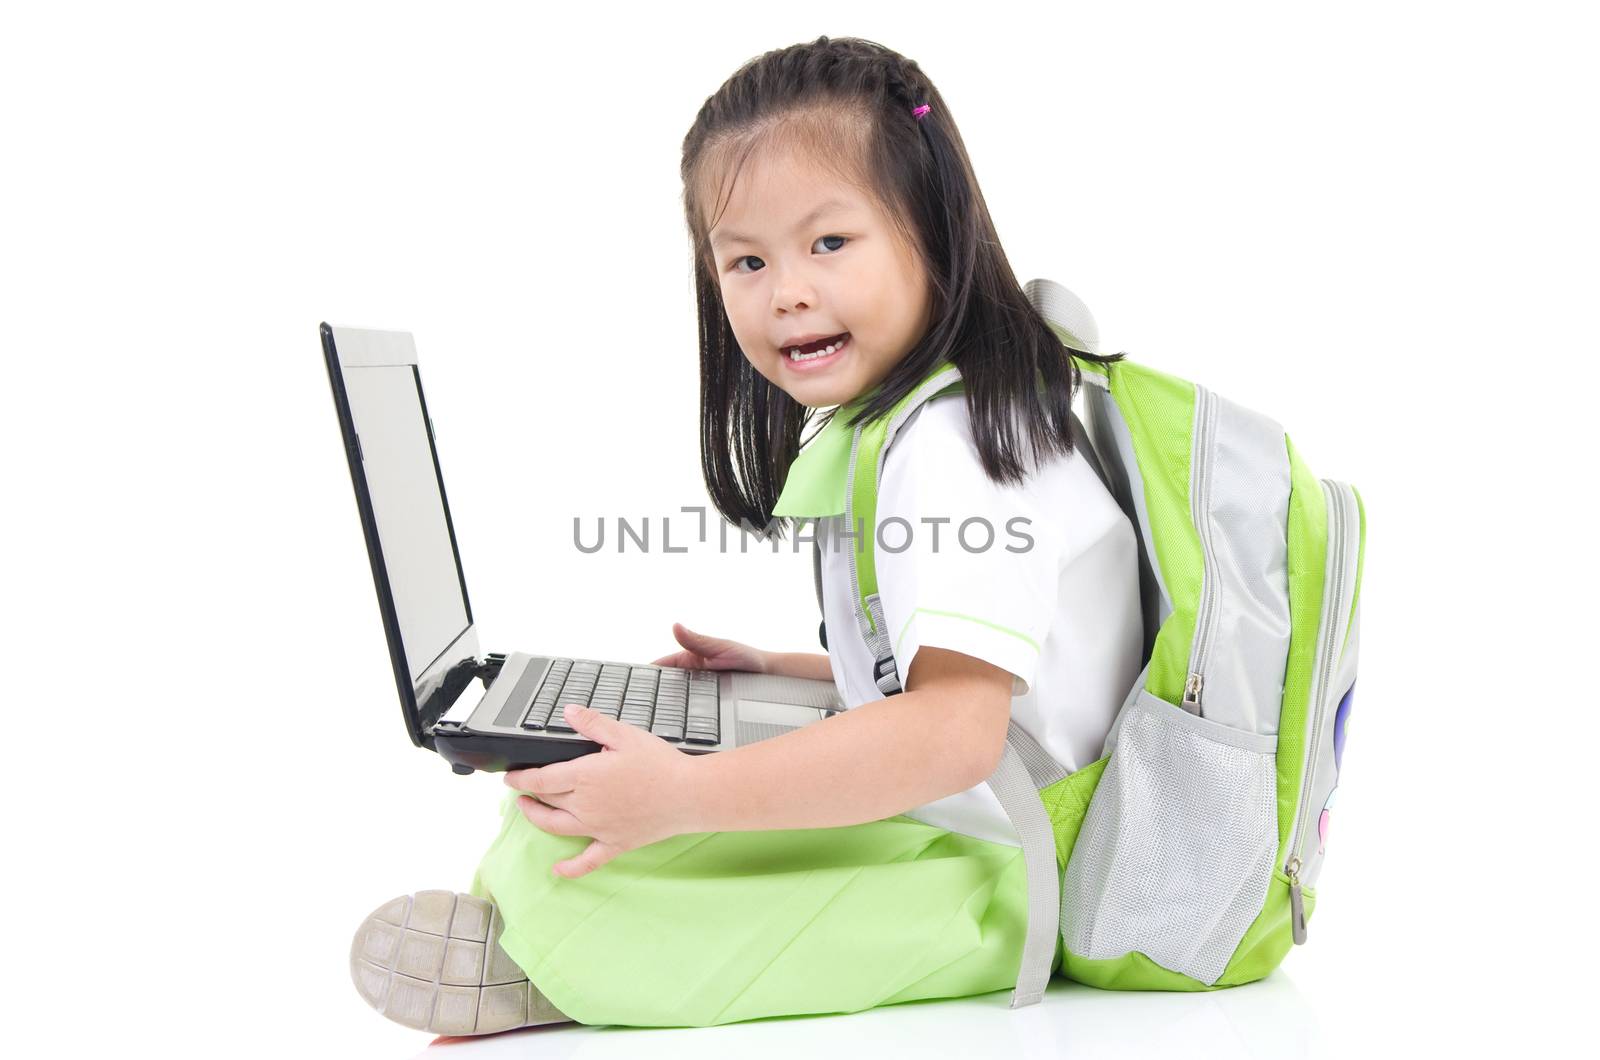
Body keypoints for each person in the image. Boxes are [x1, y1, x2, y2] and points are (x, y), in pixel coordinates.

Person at [348, 34, 1143, 1037]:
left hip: (1013, 873)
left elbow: (955, 731)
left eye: (828, 244)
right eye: (747, 260)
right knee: (566, 806)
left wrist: (687, 796)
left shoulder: (957, 449)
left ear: (934, 235)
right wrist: (790, 671)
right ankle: (540, 939)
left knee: (613, 847)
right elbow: (986, 679)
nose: (786, 292)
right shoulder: (914, 422)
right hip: (966, 818)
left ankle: (549, 966)